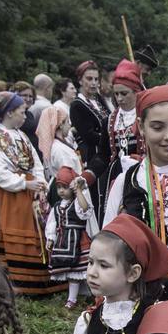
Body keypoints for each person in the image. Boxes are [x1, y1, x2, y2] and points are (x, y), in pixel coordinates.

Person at [102, 85, 168, 301]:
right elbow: (107, 241)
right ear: (141, 126)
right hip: (136, 290)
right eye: (157, 127)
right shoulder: (126, 181)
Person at [0, 91, 57, 296]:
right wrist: (24, 184)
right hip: (11, 196)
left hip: (29, 191)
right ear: (9, 112)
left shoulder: (20, 135)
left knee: (36, 232)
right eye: (22, 112)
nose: (25, 116)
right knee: (16, 231)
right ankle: (19, 282)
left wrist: (40, 183)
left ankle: (38, 281)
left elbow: (36, 162)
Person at [45, 167, 94, 305]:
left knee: (80, 271)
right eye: (59, 187)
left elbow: (85, 210)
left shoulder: (77, 203)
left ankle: (80, 296)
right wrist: (50, 238)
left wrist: (78, 190)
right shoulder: (56, 206)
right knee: (73, 272)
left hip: (78, 240)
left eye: (65, 187)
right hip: (63, 241)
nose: (61, 191)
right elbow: (52, 224)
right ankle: (76, 296)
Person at [69, 61, 111, 220]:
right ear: (80, 80)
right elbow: (88, 135)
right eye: (89, 79)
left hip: (106, 153)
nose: (94, 83)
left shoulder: (99, 100)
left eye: (96, 79)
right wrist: (110, 138)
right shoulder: (77, 105)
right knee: (97, 198)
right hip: (93, 155)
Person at [102, 59, 144, 203]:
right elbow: (103, 155)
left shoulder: (147, 117)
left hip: (142, 177)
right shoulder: (109, 121)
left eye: (124, 93)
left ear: (136, 92)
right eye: (116, 94)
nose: (119, 98)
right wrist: (87, 176)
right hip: (116, 180)